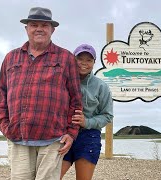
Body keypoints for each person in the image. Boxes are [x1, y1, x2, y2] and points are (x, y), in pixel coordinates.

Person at [0, 7, 82, 180]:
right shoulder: (10, 58)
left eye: (44, 25)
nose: (39, 29)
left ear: (52, 29)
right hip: (18, 138)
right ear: (26, 28)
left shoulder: (66, 58)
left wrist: (71, 133)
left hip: (53, 140)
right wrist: (5, 126)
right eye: (34, 25)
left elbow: (76, 100)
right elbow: (1, 97)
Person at [61, 44, 113, 180]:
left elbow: (107, 115)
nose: (84, 63)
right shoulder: (62, 81)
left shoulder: (101, 86)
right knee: (51, 176)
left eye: (89, 60)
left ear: (94, 63)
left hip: (88, 137)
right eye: (80, 58)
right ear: (73, 59)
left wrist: (87, 122)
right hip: (63, 135)